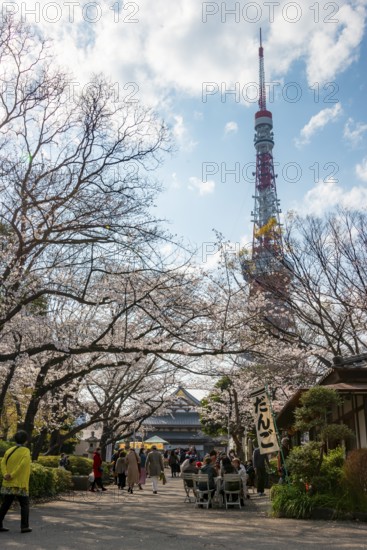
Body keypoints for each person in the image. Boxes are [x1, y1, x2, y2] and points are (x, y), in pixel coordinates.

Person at [0, 430, 32, 533]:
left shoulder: (9, 450)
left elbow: (2, 463)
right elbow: (22, 465)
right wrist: (13, 475)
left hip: (8, 483)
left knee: (5, 504)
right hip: (20, 484)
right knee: (24, 505)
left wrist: (6, 474)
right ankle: (24, 526)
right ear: (25, 440)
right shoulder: (26, 451)